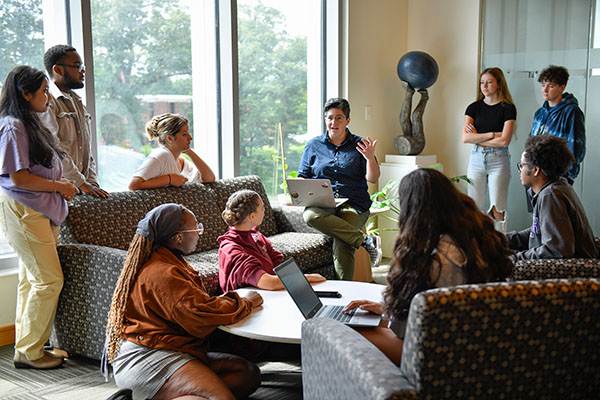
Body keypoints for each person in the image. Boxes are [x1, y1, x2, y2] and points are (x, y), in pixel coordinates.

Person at [344, 168, 513, 366]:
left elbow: (402, 330)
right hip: (475, 344)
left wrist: (388, 313)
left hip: (435, 355)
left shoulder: (437, 262)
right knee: (365, 325)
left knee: (345, 331)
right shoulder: (469, 240)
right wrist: (384, 311)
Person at [104, 203, 262, 400]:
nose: (199, 233)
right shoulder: (163, 272)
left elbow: (195, 306)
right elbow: (201, 314)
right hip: (148, 357)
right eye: (196, 228)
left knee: (246, 374)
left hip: (172, 347)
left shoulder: (169, 259)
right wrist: (245, 303)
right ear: (178, 237)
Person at [0, 65, 79, 369]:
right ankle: (30, 352)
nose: (48, 96)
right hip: (25, 209)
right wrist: (59, 186)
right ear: (25, 94)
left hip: (40, 209)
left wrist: (64, 185)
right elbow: (19, 178)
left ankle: (27, 346)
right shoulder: (12, 127)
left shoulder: (27, 122)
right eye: (44, 91)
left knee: (29, 280)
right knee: (49, 280)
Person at [298, 97, 381, 280]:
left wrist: (369, 158)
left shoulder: (360, 145)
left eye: (339, 118)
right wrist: (300, 189)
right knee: (309, 215)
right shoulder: (313, 145)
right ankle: (365, 241)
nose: (333, 122)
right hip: (323, 203)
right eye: (329, 118)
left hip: (354, 203)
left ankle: (343, 296)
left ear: (347, 121)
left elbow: (373, 179)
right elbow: (303, 175)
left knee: (343, 242)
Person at [506, 134, 596, 261]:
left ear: (536, 170)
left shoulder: (551, 195)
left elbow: (557, 250)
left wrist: (515, 257)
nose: (520, 170)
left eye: (522, 165)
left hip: (571, 272)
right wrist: (501, 240)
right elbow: (537, 232)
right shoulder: (556, 187)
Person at [218, 189, 326, 291]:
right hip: (250, 302)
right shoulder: (231, 249)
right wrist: (306, 278)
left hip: (268, 294)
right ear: (252, 216)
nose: (264, 212)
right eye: (262, 208)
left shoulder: (256, 236)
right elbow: (269, 282)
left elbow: (277, 263)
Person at [41, 44, 109, 198]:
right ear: (58, 70)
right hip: (59, 191)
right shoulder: (48, 102)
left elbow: (86, 149)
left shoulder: (78, 102)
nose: (83, 70)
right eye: (77, 66)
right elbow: (54, 149)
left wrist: (92, 183)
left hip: (82, 190)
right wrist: (82, 183)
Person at [462, 67, 516, 231]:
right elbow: (465, 138)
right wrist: (492, 134)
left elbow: (504, 141)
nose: (484, 86)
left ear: (499, 84)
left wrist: (478, 138)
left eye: (489, 82)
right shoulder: (473, 108)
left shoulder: (508, 108)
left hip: (499, 160)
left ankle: (499, 247)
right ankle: (476, 247)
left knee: (497, 208)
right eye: (482, 82)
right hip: (476, 159)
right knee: (473, 208)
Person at [129, 113, 215, 190]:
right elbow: (133, 185)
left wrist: (190, 152)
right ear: (169, 138)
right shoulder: (161, 155)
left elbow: (209, 179)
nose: (190, 138)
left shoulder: (181, 161)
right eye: (184, 134)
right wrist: (169, 179)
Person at [530, 65, 585, 184]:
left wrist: (566, 176)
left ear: (562, 88)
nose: (545, 90)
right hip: (535, 174)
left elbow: (576, 147)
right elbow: (531, 143)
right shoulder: (540, 113)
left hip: (557, 177)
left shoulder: (571, 112)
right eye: (543, 85)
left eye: (551, 86)